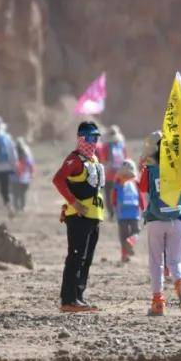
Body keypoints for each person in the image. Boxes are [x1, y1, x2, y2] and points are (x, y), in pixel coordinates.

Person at [52, 121, 106, 313]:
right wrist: (72, 203)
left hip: (93, 217)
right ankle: (68, 300)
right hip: (78, 217)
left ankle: (79, 296)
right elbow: (58, 180)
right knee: (75, 257)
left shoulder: (94, 160)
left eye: (96, 138)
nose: (93, 142)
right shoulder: (74, 159)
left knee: (87, 259)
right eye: (89, 137)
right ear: (81, 138)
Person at [138, 135, 181, 316]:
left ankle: (158, 301)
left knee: (156, 262)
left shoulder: (150, 169)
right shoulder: (179, 169)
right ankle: (180, 283)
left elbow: (142, 189)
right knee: (176, 260)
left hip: (155, 220)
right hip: (176, 219)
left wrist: (143, 165)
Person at [113, 159, 144, 270]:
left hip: (122, 214)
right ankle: (130, 242)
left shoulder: (117, 182)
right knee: (136, 231)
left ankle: (124, 255)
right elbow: (140, 196)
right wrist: (143, 208)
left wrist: (114, 207)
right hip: (134, 212)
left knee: (123, 236)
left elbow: (114, 196)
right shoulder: (136, 183)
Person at [101, 124, 127, 210]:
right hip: (121, 175)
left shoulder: (105, 147)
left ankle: (111, 212)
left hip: (109, 175)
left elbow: (103, 160)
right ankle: (119, 211)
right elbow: (126, 159)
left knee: (108, 194)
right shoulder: (122, 146)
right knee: (120, 193)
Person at [12, 137, 35, 212]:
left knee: (18, 193)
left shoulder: (22, 153)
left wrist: (31, 173)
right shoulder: (23, 152)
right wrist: (31, 173)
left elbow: (30, 164)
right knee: (20, 193)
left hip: (20, 177)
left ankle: (19, 207)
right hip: (20, 177)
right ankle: (20, 207)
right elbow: (30, 164)